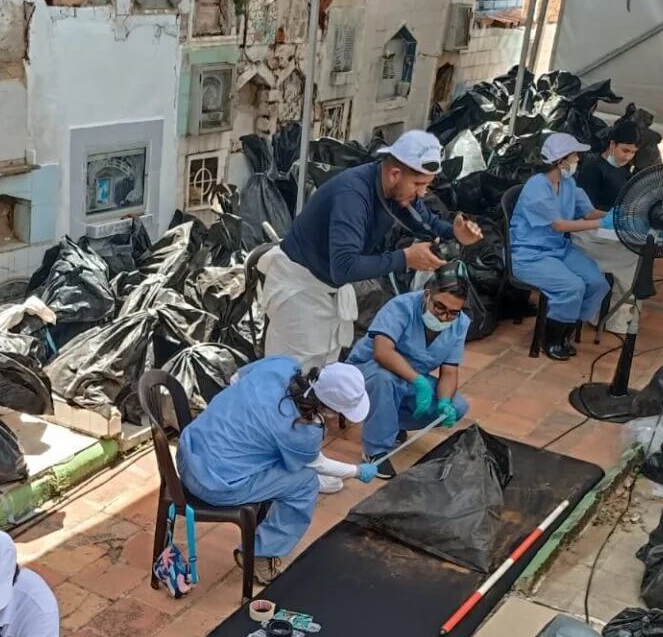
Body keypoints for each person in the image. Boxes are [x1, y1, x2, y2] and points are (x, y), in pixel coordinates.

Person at [260, 130, 484, 373]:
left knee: (323, 371)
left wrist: (456, 233)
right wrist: (405, 258)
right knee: (288, 374)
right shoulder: (353, 197)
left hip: (328, 288)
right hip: (300, 286)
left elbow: (427, 223)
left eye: (426, 186)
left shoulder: (396, 193)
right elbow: (344, 267)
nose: (421, 193)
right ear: (395, 173)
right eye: (418, 184)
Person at [177, 358, 376, 586]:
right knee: (305, 483)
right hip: (212, 484)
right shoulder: (303, 431)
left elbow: (235, 379)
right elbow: (317, 465)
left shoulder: (280, 365)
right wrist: (357, 471)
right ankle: (260, 553)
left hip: (188, 449)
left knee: (279, 458)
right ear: (331, 410)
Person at [347, 262, 472, 475]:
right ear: (427, 295)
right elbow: (382, 352)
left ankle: (390, 424)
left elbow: (450, 371)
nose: (444, 317)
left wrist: (443, 401)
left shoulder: (460, 324)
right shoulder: (401, 307)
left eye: (452, 313)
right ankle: (375, 450)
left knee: (457, 405)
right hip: (370, 370)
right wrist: (419, 381)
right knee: (384, 379)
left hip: (409, 379)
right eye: (440, 307)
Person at [510, 133, 613, 361]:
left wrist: (616, 216)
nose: (578, 158)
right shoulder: (537, 188)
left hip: (557, 250)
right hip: (529, 255)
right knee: (572, 287)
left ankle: (566, 330)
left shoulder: (568, 184)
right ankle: (550, 339)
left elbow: (587, 211)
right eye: (574, 155)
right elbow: (558, 225)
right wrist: (600, 223)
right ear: (561, 160)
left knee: (597, 283)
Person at [574, 120, 643, 334]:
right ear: (611, 145)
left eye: (633, 153)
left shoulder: (623, 170)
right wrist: (617, 217)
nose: (628, 156)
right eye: (625, 150)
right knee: (634, 254)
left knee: (638, 249)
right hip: (587, 234)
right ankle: (615, 316)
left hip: (607, 229)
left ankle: (609, 312)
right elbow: (586, 210)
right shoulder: (592, 169)